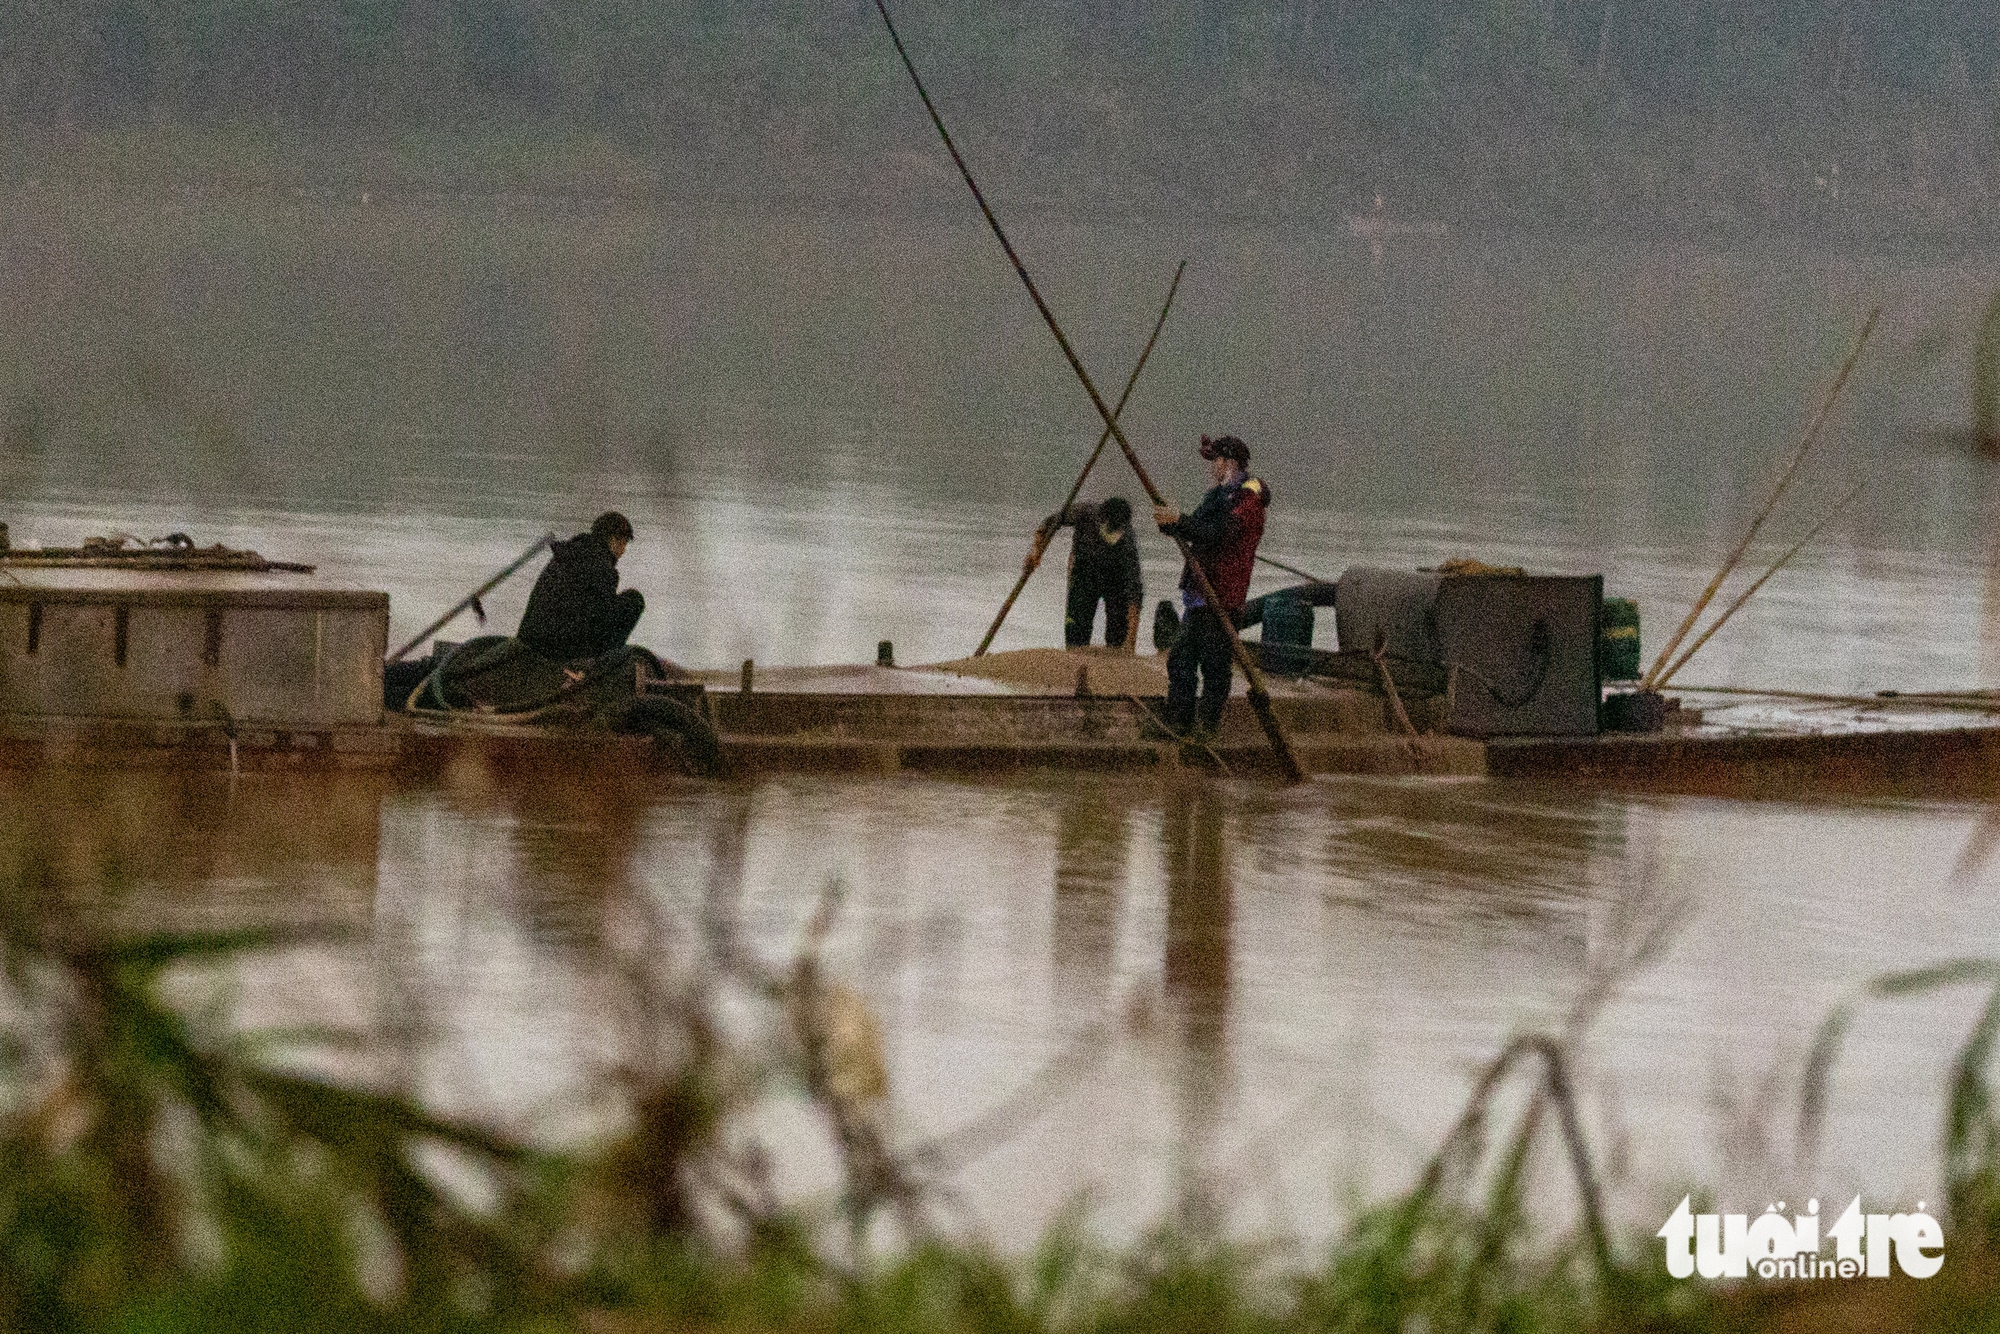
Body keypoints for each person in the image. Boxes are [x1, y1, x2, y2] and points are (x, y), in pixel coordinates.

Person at [1152, 435, 1270, 739]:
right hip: (1198, 595)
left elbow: (1219, 534)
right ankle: (1179, 720)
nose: (1212, 468)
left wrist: (1182, 520)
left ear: (1229, 463)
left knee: (1215, 665)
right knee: (1181, 659)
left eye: (1216, 461)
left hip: (1222, 596)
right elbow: (1198, 528)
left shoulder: (1247, 501)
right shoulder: (1217, 495)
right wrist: (1172, 523)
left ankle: (1207, 728)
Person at [517, 511, 645, 660]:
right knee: (634, 600)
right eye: (623, 543)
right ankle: (604, 662)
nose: (623, 551)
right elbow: (601, 620)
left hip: (530, 639)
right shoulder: (603, 568)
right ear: (613, 540)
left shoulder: (565, 554)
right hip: (558, 649)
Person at [1030, 496, 1144, 650]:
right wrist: (1037, 551)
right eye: (1111, 529)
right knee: (1076, 632)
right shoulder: (1084, 512)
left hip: (1115, 579)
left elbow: (1135, 592)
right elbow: (1050, 522)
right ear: (1102, 520)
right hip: (1084, 575)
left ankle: (1115, 656)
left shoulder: (1127, 538)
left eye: (1119, 530)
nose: (1115, 535)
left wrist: (1130, 642)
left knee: (1118, 635)